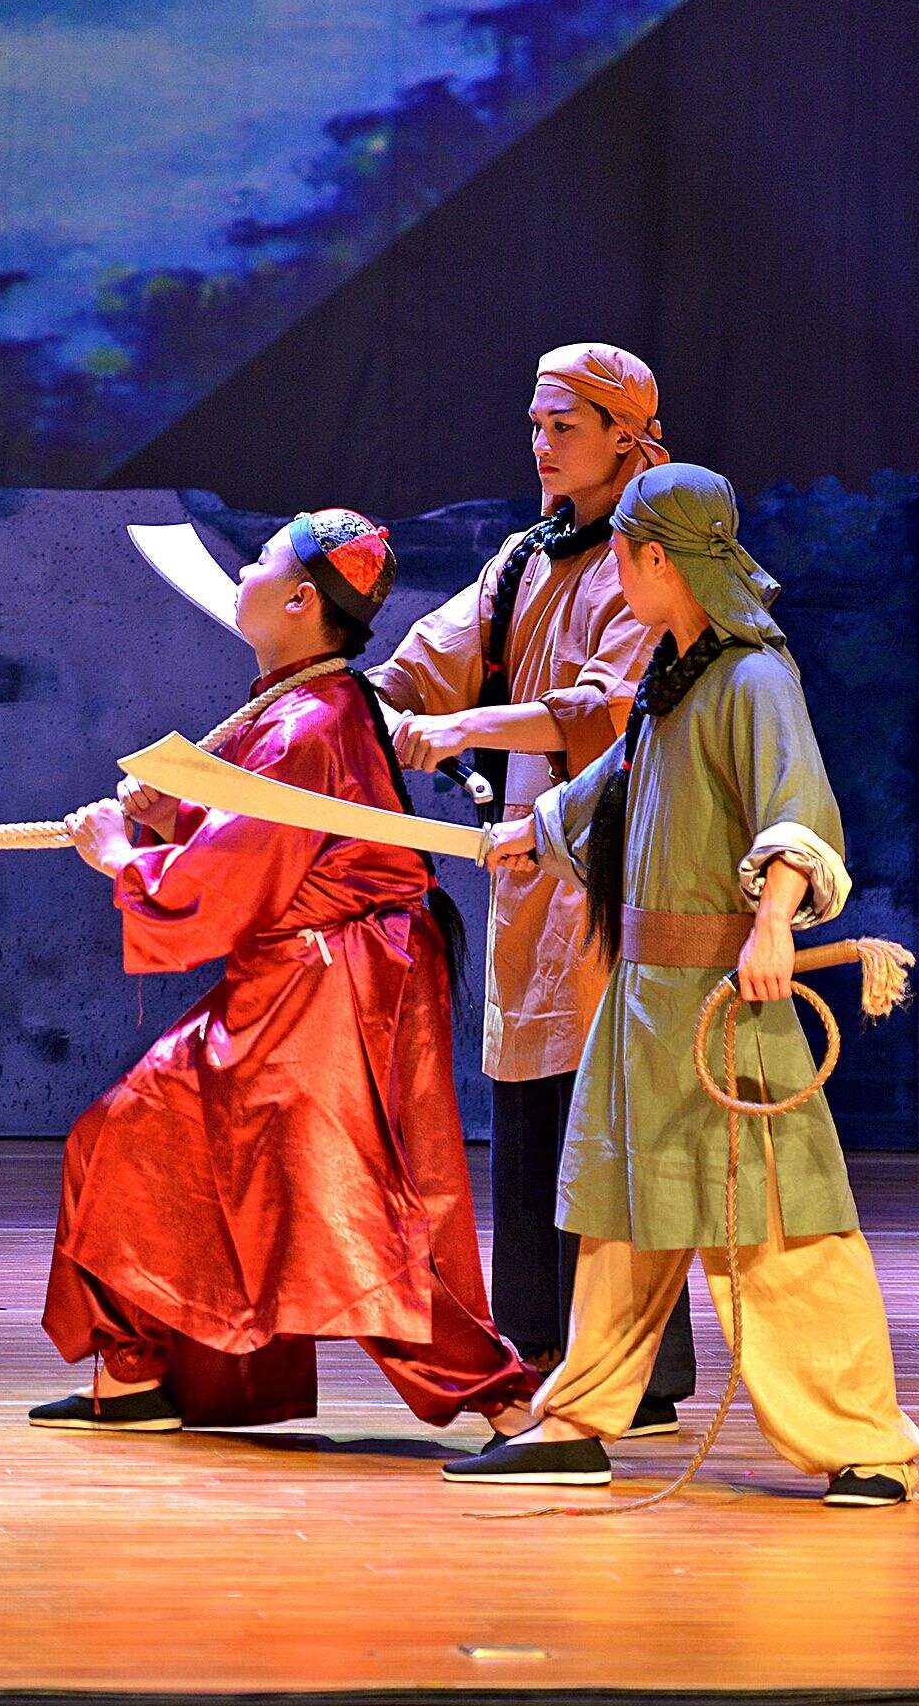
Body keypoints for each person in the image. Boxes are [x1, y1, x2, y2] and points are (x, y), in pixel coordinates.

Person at [443, 463, 919, 1506]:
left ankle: (863, 1441)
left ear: (656, 558)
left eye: (622, 554)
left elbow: (793, 806)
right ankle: (578, 1419)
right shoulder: (675, 675)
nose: (614, 571)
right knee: (619, 1212)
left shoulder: (752, 677)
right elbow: (621, 780)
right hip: (642, 998)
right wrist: (538, 829)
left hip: (721, 1000)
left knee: (780, 1220)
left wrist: (771, 921)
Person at [33, 511, 535, 1436]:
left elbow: (236, 874)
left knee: (345, 1203)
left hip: (332, 987)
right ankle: (136, 1371)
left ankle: (505, 1398)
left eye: (262, 558)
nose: (245, 569)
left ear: (302, 600)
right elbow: (271, 844)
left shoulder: (311, 718)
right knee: (130, 1138)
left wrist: (120, 855)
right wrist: (177, 818)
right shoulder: (308, 705)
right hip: (307, 973)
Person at [367, 342, 699, 1431]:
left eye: (565, 425)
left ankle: (631, 1364)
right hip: (527, 869)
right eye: (535, 424)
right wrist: (350, 699)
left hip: (618, 862)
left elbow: (603, 712)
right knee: (532, 1103)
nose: (542, 444)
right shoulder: (523, 558)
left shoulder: (650, 562)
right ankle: (548, 1349)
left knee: (608, 1110)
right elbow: (426, 663)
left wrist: (463, 725)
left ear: (624, 435)